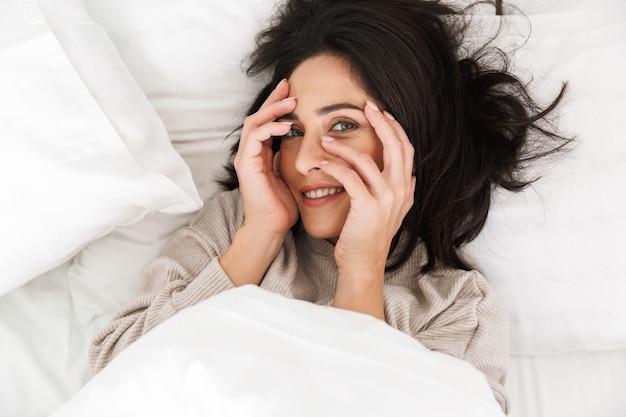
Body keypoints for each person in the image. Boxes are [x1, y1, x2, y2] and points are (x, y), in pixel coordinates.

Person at [90, 0, 569, 413]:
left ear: (410, 139)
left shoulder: (456, 309)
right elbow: (117, 378)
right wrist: (259, 235)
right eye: (293, 131)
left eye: (342, 125)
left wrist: (361, 267)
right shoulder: (233, 226)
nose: (308, 161)